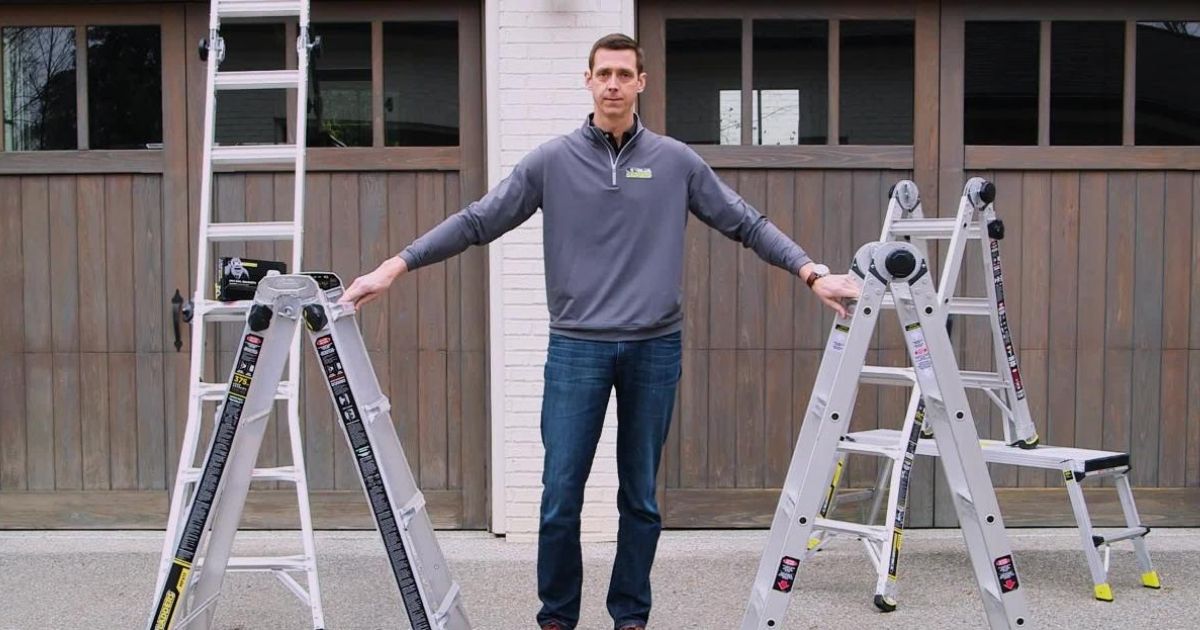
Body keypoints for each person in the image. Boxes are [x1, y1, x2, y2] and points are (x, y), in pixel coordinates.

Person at [339, 32, 862, 630]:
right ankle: (557, 617)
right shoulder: (551, 161)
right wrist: (393, 266)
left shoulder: (675, 162)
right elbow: (478, 221)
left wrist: (811, 271)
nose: (613, 84)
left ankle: (630, 618)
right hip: (576, 349)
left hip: (654, 348)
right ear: (587, 81)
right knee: (560, 496)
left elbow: (746, 222)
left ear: (641, 83)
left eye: (623, 74)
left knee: (639, 498)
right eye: (603, 74)